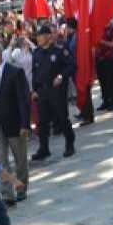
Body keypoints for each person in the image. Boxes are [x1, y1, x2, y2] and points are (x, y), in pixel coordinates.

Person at [0, 41, 30, 204]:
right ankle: (7, 193)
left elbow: (23, 100)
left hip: (15, 123)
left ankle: (21, 188)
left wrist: (25, 124)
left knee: (20, 159)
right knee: (1, 160)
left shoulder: (15, 72)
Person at [31, 25, 76, 161]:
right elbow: (35, 72)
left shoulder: (59, 51)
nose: (38, 38)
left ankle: (69, 143)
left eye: (41, 35)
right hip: (42, 91)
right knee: (42, 122)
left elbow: (72, 66)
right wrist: (34, 89)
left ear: (49, 36)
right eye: (37, 36)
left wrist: (61, 76)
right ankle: (44, 148)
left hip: (56, 90)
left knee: (62, 118)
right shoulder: (36, 52)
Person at [95, 17, 113, 111]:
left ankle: (112, 102)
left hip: (108, 58)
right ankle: (105, 101)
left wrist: (101, 42)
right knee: (102, 81)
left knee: (109, 80)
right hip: (98, 58)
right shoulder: (99, 28)